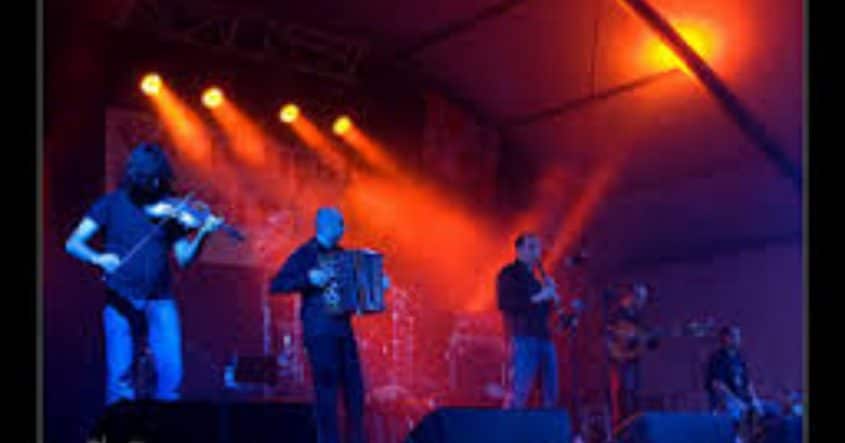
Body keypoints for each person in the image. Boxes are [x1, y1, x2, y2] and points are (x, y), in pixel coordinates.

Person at [65, 142, 222, 405]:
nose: (156, 186)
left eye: (160, 179)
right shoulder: (111, 204)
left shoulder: (170, 211)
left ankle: (164, 431)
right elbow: (73, 243)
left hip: (160, 298)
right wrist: (97, 257)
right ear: (136, 177)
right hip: (120, 297)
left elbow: (184, 259)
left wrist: (203, 234)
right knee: (120, 378)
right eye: (150, 180)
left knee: (172, 376)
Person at [270, 207, 389, 443]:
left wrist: (378, 285)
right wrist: (308, 279)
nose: (344, 229)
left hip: (343, 332)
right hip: (319, 332)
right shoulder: (305, 253)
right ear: (327, 225)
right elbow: (276, 284)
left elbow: (357, 296)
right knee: (327, 394)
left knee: (355, 391)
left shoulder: (343, 255)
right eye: (341, 224)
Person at [496, 233, 560, 409]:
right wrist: (539, 297)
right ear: (519, 250)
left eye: (537, 248)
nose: (536, 252)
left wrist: (551, 295)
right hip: (523, 338)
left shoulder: (536, 279)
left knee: (551, 391)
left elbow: (544, 312)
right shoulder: (509, 274)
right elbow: (505, 303)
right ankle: (508, 432)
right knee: (520, 390)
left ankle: (547, 433)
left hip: (545, 338)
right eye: (531, 247)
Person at [606, 283, 652, 424]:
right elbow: (607, 332)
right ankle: (621, 424)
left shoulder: (639, 317)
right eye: (641, 298)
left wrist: (648, 340)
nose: (642, 302)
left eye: (644, 299)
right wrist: (621, 340)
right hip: (620, 359)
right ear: (633, 296)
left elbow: (645, 340)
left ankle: (632, 423)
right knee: (623, 392)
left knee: (633, 393)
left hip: (633, 359)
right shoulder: (617, 312)